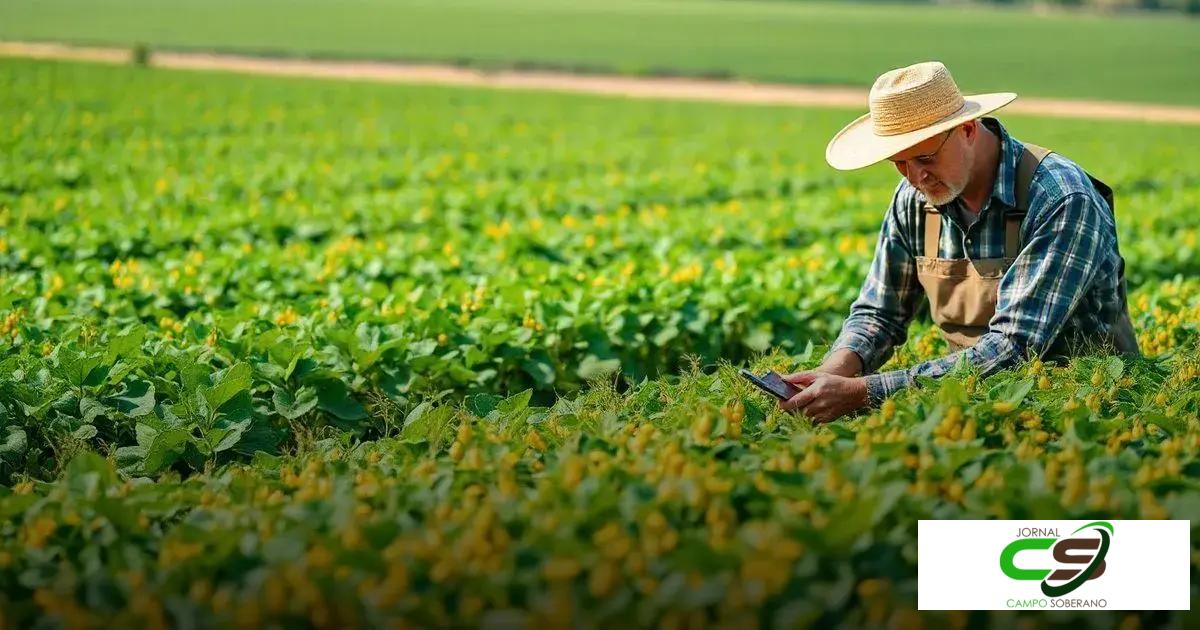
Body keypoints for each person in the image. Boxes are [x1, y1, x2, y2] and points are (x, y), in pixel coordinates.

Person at [779, 61, 1139, 423]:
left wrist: (864, 392)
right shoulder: (913, 197)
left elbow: (1015, 347)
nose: (915, 176)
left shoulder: (1059, 198)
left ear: (967, 129)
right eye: (899, 162)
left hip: (1080, 403)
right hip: (965, 397)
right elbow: (879, 313)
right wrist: (833, 371)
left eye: (925, 157)